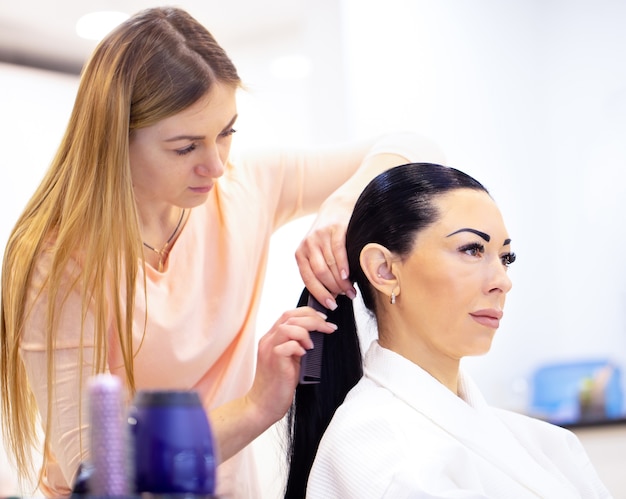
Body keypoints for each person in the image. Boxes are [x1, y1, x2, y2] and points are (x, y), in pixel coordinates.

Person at [0, 7, 445, 499]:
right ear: (115, 140)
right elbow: (95, 466)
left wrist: (346, 200)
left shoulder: (244, 186)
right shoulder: (58, 258)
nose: (214, 165)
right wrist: (256, 405)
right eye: (185, 147)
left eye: (227, 132)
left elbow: (414, 145)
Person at [284, 163, 611, 498]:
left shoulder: (543, 444)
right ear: (384, 270)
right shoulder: (381, 452)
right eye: (472, 250)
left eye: (505, 258)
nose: (503, 281)